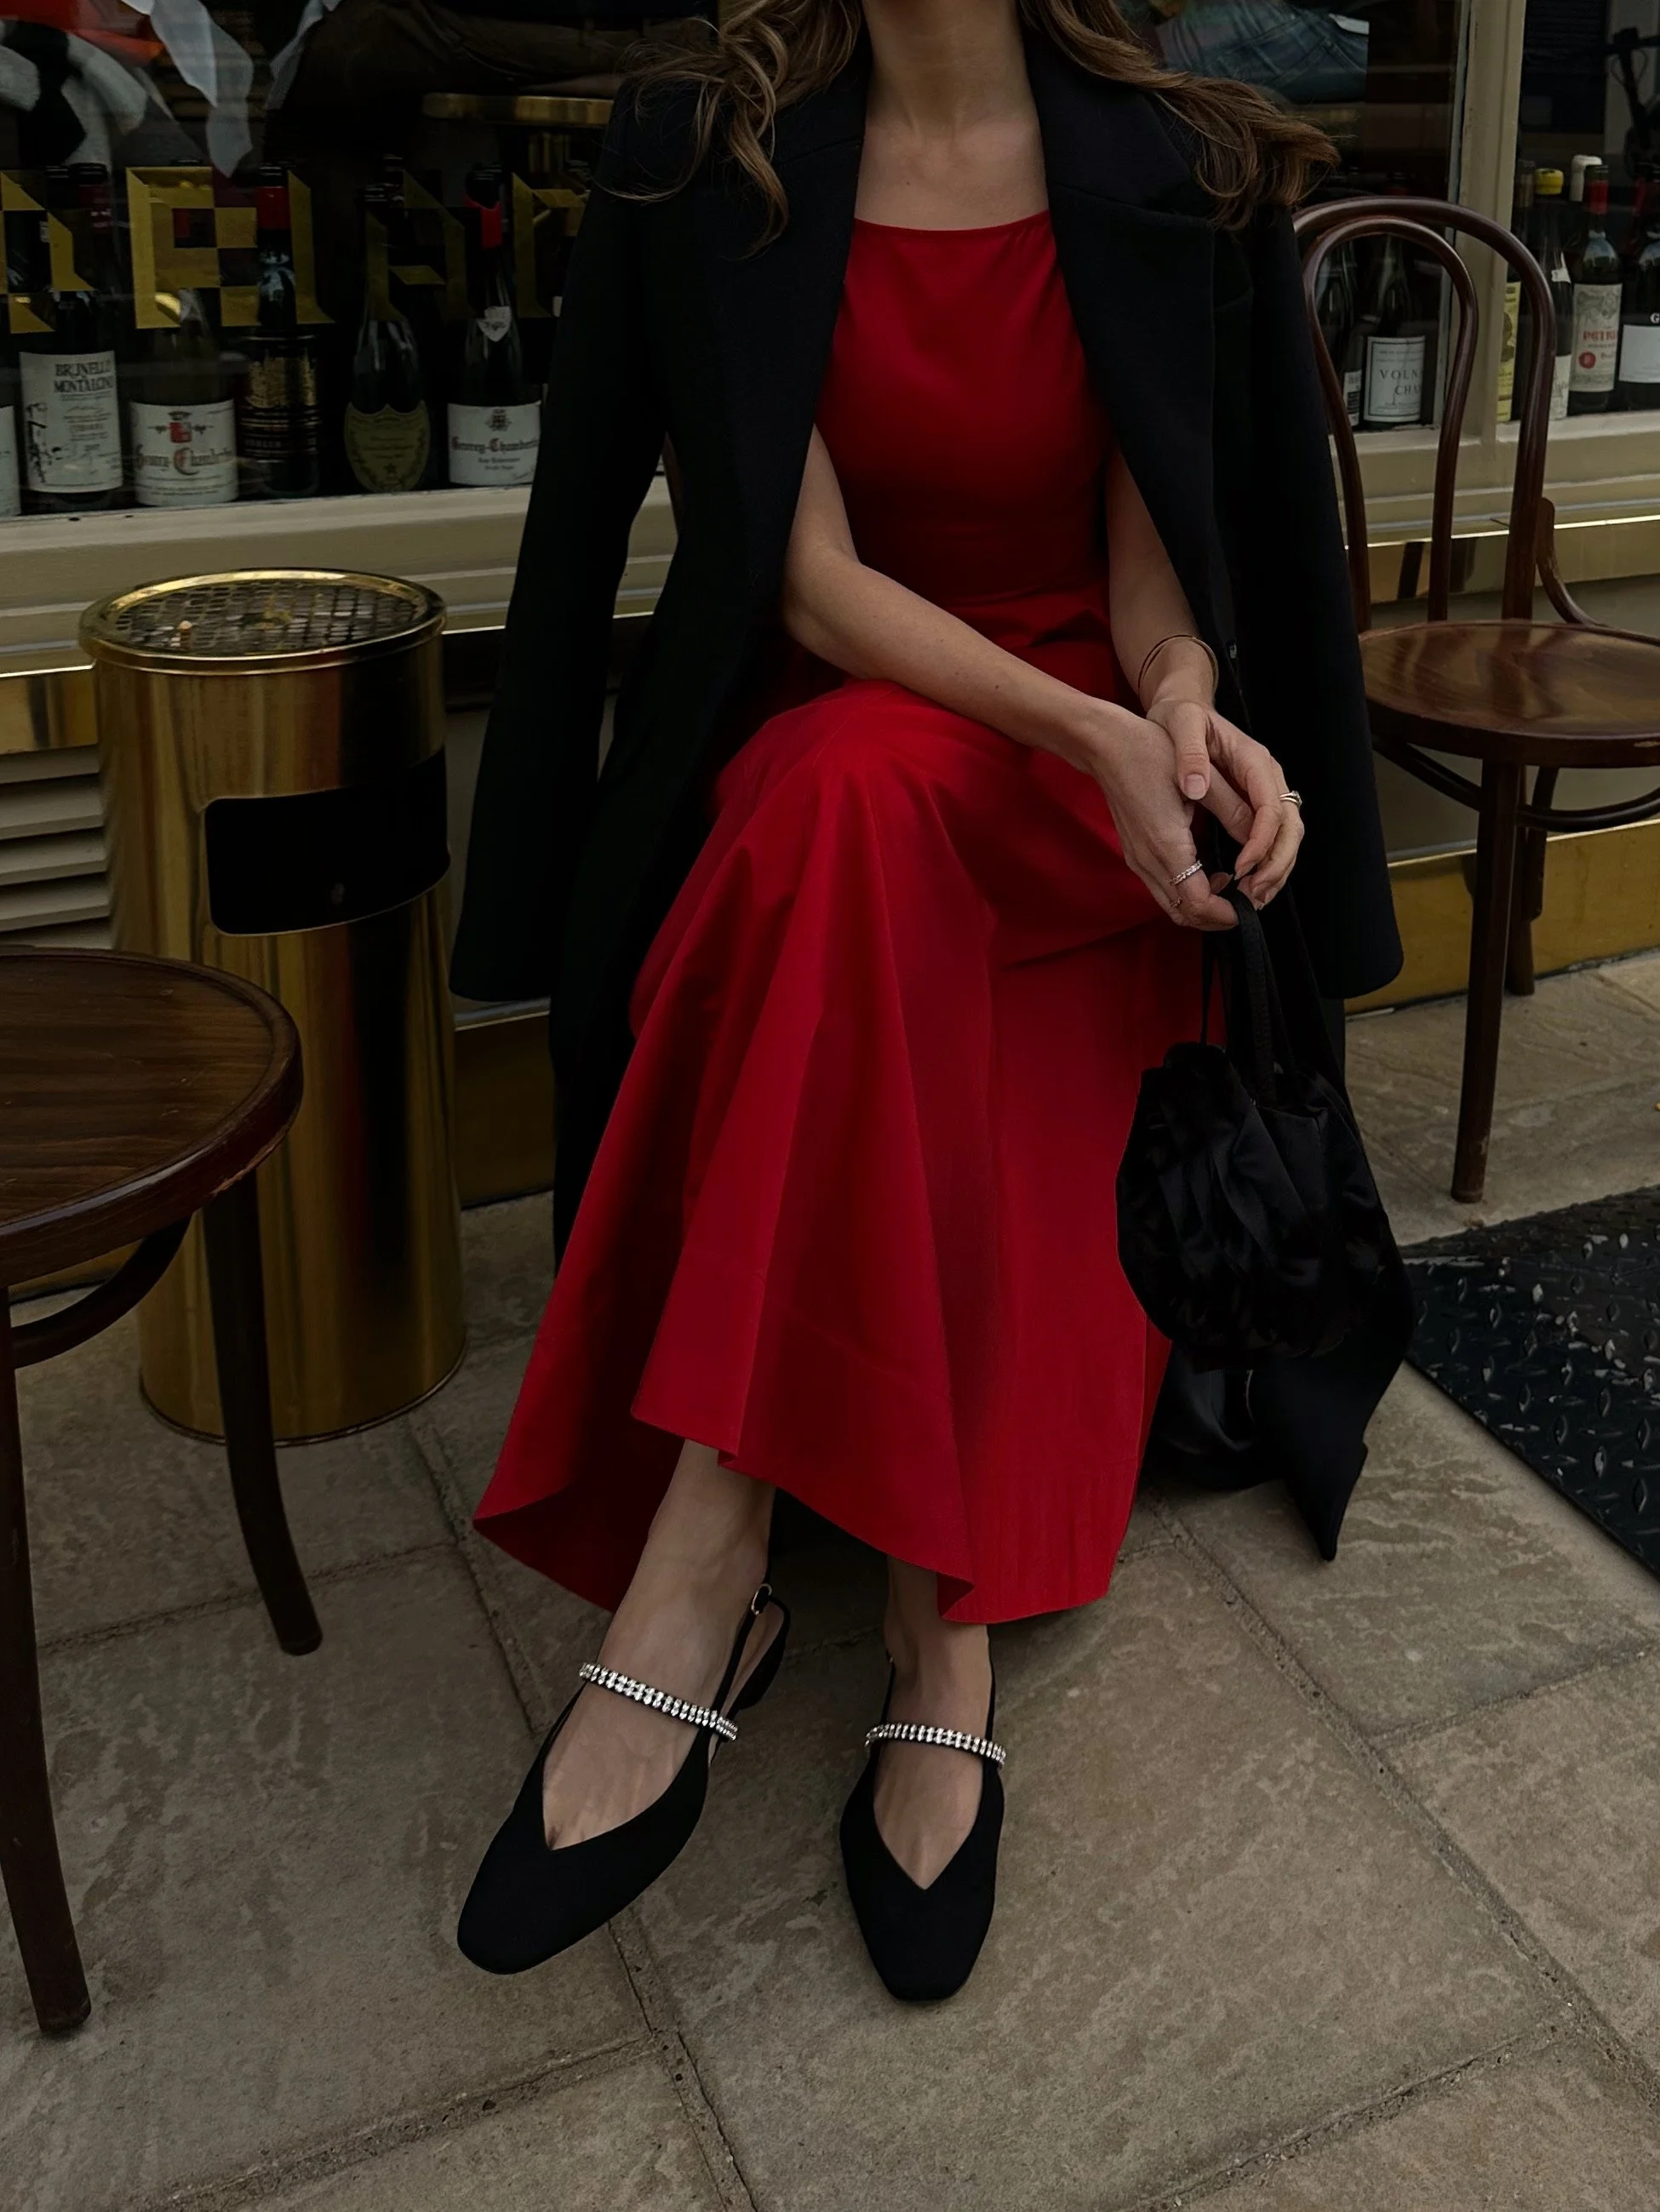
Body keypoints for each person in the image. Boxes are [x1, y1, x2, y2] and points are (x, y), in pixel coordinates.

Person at [449, 0, 1401, 2003]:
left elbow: (1159, 576)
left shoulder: (1181, 160)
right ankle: (910, 1616)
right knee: (862, 804)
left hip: (1083, 817)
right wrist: (1075, 725)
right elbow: (795, 581)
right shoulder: (722, 152)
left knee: (869, 853)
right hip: (855, 738)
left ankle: (715, 1585)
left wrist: (1175, 716)